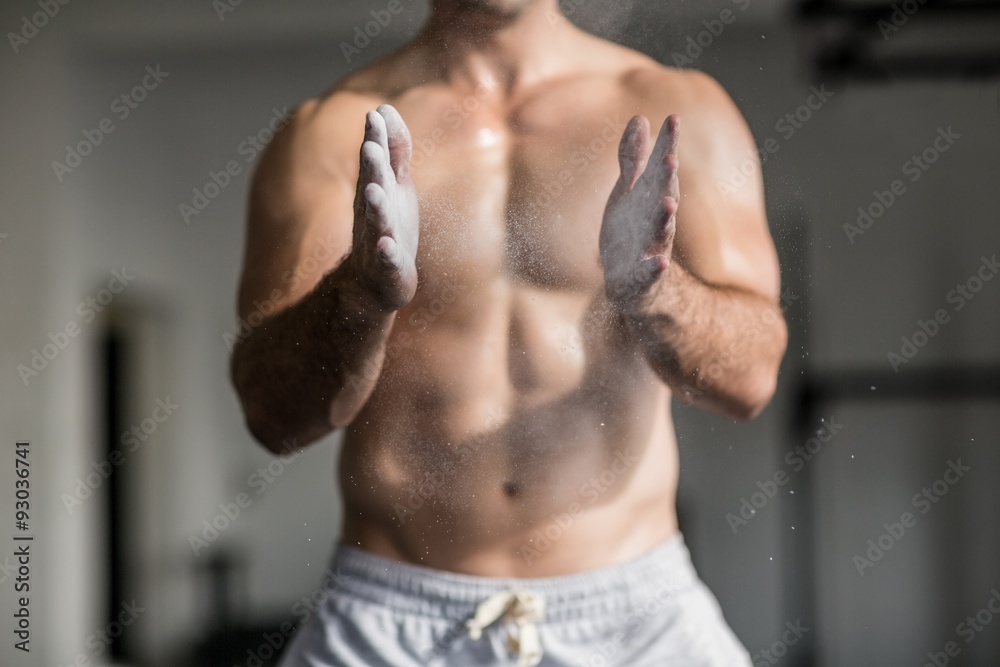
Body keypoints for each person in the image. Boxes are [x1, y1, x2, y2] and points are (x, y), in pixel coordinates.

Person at [230, 0, 787, 664]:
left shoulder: (681, 107)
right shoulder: (329, 135)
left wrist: (656, 290)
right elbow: (272, 414)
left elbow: (751, 379)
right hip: (389, 626)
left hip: (636, 623)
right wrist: (360, 294)